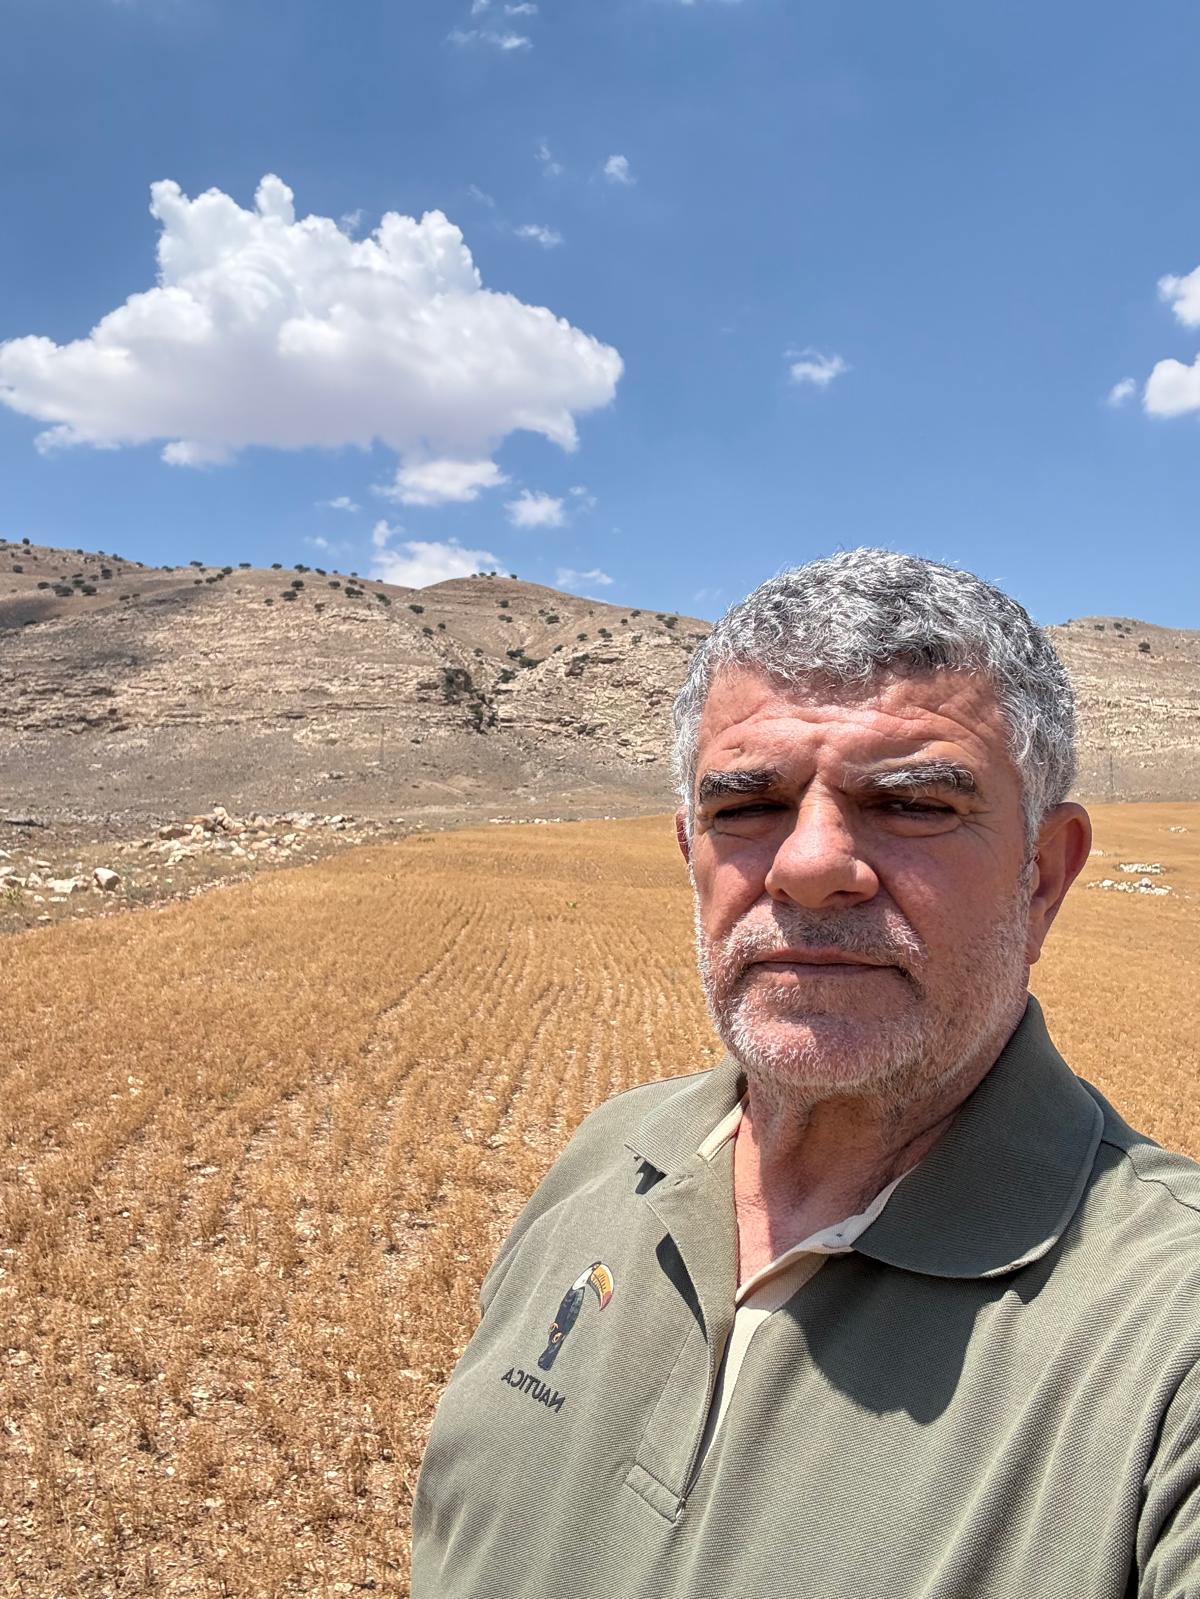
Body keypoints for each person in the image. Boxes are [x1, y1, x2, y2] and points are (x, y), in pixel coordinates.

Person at [411, 549, 1200, 1599]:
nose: (810, 865)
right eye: (747, 806)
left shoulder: (1169, 1337)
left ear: (1043, 875)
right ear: (691, 851)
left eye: (912, 803)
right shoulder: (611, 1156)